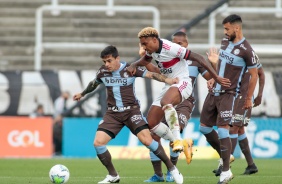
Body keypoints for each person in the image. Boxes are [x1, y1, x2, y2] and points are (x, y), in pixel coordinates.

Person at [73, 45, 184, 184]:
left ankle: (172, 169)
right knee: (98, 143)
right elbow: (94, 83)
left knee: (148, 141)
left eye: (109, 61)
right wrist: (82, 94)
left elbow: (151, 74)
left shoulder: (129, 69)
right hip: (113, 113)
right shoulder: (102, 72)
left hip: (131, 111)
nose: (106, 65)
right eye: (104, 62)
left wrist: (168, 80)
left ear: (117, 58)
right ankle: (113, 175)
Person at [126, 27, 230, 163]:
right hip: (170, 85)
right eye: (142, 44)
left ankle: (177, 143)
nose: (144, 47)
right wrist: (134, 64)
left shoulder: (170, 47)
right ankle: (179, 141)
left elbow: (198, 57)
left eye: (145, 44)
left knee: (165, 102)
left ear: (154, 40)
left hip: (183, 83)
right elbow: (145, 61)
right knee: (151, 123)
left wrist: (216, 77)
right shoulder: (152, 51)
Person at [142, 31, 215, 182]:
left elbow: (210, 77)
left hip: (184, 101)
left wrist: (214, 65)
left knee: (176, 130)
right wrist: (142, 59)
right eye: (174, 42)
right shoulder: (166, 55)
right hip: (169, 95)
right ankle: (158, 174)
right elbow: (156, 71)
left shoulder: (194, 62)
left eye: (180, 43)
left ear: (186, 45)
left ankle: (171, 171)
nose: (176, 45)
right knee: (153, 132)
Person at [199, 14, 259, 184]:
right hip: (214, 91)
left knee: (225, 129)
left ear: (236, 28)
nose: (225, 32)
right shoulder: (224, 43)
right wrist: (213, 73)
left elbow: (254, 76)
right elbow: (221, 68)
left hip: (230, 94)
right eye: (224, 29)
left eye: (227, 29)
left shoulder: (247, 50)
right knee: (204, 128)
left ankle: (225, 171)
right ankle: (227, 155)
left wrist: (248, 99)